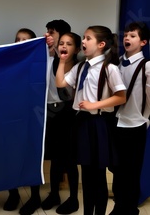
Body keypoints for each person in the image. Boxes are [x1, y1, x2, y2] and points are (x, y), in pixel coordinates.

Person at [56, 25, 126, 215]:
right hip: (82, 123)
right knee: (86, 175)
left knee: (98, 175)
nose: (84, 42)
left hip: (99, 124)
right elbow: (61, 83)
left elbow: (121, 96)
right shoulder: (80, 67)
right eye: (84, 38)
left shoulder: (109, 69)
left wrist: (95, 105)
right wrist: (62, 62)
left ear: (101, 44)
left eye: (88, 38)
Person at [18, 20, 72, 215]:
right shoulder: (40, 54)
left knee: (59, 156)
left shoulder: (67, 58)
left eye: (51, 32)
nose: (47, 34)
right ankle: (34, 197)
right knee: (36, 153)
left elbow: (67, 91)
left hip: (61, 111)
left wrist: (58, 52)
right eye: (47, 31)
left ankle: (55, 193)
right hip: (40, 111)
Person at [110, 22, 150, 215]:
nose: (127, 38)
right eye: (126, 35)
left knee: (132, 172)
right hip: (117, 123)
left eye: (133, 35)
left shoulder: (147, 66)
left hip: (135, 125)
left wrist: (145, 119)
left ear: (143, 42)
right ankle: (119, 206)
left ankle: (129, 209)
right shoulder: (117, 62)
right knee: (117, 170)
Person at [41, 32, 81, 215]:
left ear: (77, 49)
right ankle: (55, 194)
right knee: (56, 159)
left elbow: (66, 94)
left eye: (69, 44)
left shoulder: (80, 67)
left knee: (70, 160)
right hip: (54, 115)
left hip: (70, 115)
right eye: (62, 43)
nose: (64, 46)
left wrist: (62, 62)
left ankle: (73, 199)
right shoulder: (53, 62)